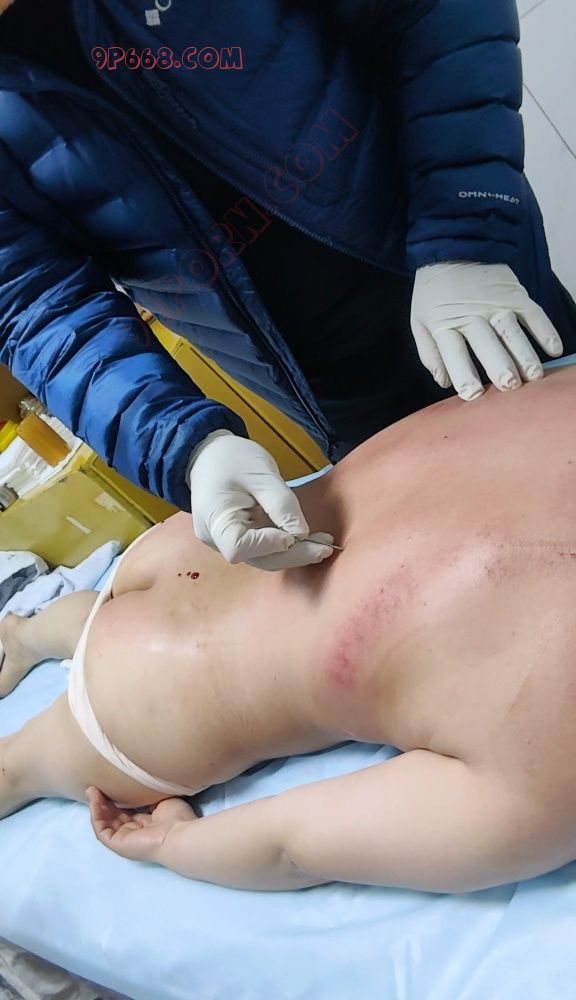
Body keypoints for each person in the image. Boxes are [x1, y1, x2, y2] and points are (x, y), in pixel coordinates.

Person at [1, 0, 576, 571]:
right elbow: (32, 303)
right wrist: (181, 445)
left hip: (478, 296)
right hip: (330, 396)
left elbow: (430, 11)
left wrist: (464, 234)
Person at [2, 362, 576, 894]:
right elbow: (293, 847)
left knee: (103, 620)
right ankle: (31, 649)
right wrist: (173, 843)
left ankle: (25, 635)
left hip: (198, 541)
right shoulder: (552, 754)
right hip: (164, 683)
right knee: (12, 770)